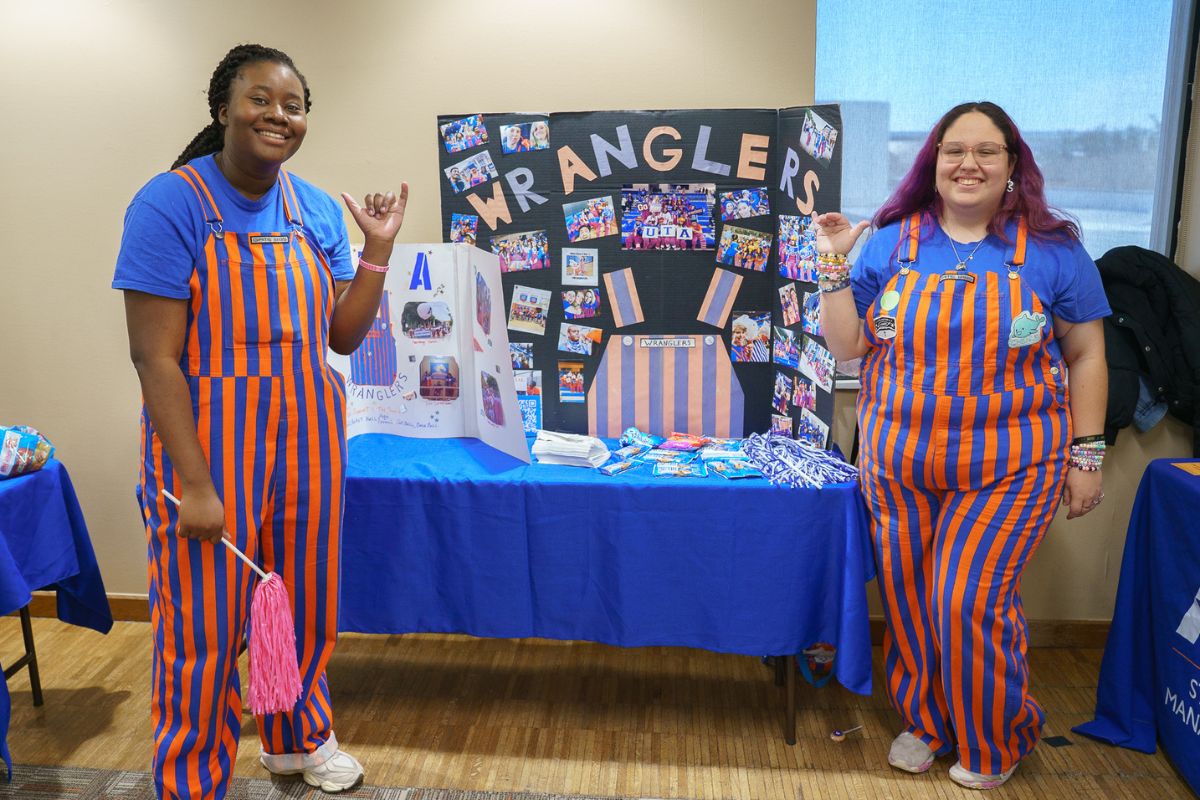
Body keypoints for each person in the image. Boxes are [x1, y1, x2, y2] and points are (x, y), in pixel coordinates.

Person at [112, 44, 408, 799]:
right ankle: (191, 780)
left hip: (308, 443)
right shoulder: (169, 204)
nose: (279, 115)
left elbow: (342, 335)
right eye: (260, 99)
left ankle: (295, 741)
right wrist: (194, 485)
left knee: (305, 604)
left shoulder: (312, 208)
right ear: (222, 108)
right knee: (203, 632)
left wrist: (376, 254)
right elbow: (156, 360)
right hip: (209, 451)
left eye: (293, 104)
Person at [817, 101, 1109, 790]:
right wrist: (832, 266)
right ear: (933, 161)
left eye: (986, 151)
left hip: (1012, 467)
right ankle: (928, 722)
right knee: (912, 597)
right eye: (954, 150)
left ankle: (996, 737)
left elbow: (1089, 354)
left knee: (967, 599)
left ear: (1013, 166)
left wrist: (1087, 457)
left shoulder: (1055, 251)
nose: (968, 164)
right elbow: (848, 344)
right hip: (898, 463)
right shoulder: (891, 242)